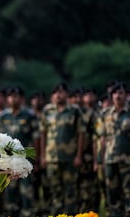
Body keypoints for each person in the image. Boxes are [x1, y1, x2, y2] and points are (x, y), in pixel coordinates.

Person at [40, 83, 85, 215]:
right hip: (52, 157)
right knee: (55, 190)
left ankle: (70, 214)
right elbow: (43, 133)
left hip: (70, 158)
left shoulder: (74, 110)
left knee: (70, 190)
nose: (58, 95)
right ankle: (57, 214)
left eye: (61, 92)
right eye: (55, 92)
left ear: (67, 94)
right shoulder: (47, 110)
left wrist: (78, 156)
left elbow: (81, 133)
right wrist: (43, 156)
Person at [0, 86, 38, 217]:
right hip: (9, 162)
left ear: (21, 99)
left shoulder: (29, 116)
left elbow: (36, 138)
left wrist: (36, 159)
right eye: (10, 96)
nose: (13, 99)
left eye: (16, 96)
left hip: (26, 160)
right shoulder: (4, 116)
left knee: (27, 194)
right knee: (10, 194)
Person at [97, 83, 130, 216]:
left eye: (121, 93)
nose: (118, 96)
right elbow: (102, 138)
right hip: (110, 159)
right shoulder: (105, 114)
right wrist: (100, 160)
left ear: (125, 96)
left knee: (128, 191)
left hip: (127, 160)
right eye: (115, 93)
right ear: (111, 96)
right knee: (112, 192)